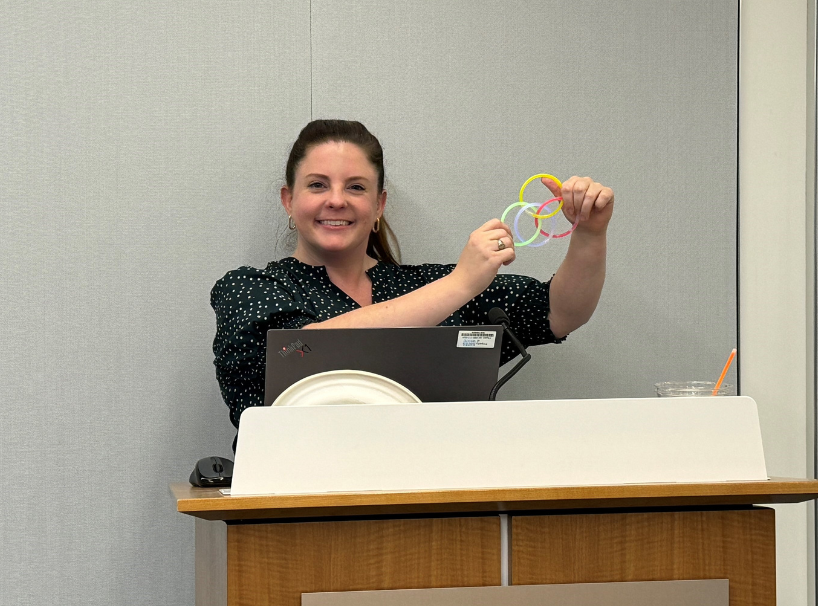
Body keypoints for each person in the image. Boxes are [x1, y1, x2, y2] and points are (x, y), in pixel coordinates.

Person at [212, 120, 613, 449]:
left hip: (429, 513)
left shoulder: (425, 285)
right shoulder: (251, 288)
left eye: (356, 187)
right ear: (288, 200)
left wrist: (591, 234)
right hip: (288, 511)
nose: (336, 200)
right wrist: (459, 284)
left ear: (379, 205)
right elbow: (302, 349)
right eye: (317, 185)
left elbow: (560, 311)